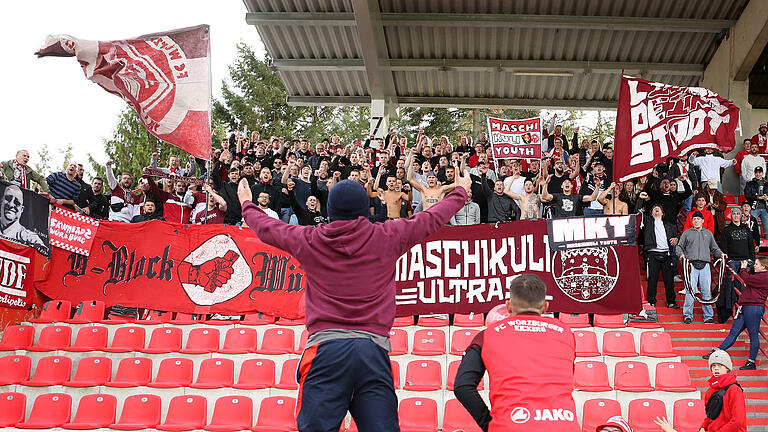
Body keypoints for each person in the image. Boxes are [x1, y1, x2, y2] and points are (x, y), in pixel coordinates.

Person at [237, 170, 471, 432]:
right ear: (365, 210)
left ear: (331, 210)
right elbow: (430, 218)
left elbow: (269, 228)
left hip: (325, 351)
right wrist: (460, 192)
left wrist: (247, 204)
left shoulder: (310, 239)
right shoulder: (387, 236)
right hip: (372, 350)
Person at [454, 275, 579, 432]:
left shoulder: (488, 335)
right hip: (563, 424)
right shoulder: (566, 333)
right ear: (545, 307)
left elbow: (463, 386)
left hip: (511, 424)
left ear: (508, 306)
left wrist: (488, 423)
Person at [704, 256, 768, 370]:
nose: (754, 266)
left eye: (757, 264)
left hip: (754, 307)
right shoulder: (760, 275)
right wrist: (748, 264)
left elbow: (746, 279)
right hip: (747, 306)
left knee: (753, 335)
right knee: (733, 332)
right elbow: (750, 276)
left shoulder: (765, 277)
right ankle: (717, 352)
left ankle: (751, 362)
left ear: (764, 267)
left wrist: (743, 268)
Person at [676, 211, 725, 324]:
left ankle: (708, 316)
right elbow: (679, 247)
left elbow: (715, 248)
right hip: (691, 264)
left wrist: (721, 254)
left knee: (706, 291)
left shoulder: (708, 233)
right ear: (692, 221)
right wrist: (681, 255)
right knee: (690, 290)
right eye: (694, 219)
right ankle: (687, 315)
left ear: (703, 220)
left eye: (698, 219)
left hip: (705, 265)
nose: (696, 221)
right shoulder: (687, 233)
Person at [718, 208, 756, 323]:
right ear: (731, 216)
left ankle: (743, 307)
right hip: (733, 261)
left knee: (744, 285)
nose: (735, 216)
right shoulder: (726, 230)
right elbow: (723, 246)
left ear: (740, 216)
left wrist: (751, 259)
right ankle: (732, 306)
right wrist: (728, 260)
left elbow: (751, 245)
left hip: (745, 260)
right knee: (731, 284)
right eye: (733, 214)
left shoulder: (746, 229)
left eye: (737, 214)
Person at [699, 350, 747, 431]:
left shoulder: (734, 390)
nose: (716, 368)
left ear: (727, 368)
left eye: (720, 365)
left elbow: (738, 421)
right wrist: (703, 427)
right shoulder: (710, 391)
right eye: (713, 365)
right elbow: (711, 415)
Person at [642, 204, 679, 308]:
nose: (656, 209)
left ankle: (671, 302)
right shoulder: (648, 222)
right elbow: (637, 211)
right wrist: (641, 199)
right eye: (654, 208)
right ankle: (651, 301)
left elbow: (676, 236)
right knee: (652, 279)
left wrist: (676, 239)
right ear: (651, 213)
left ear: (663, 213)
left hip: (666, 254)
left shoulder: (669, 225)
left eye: (659, 208)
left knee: (669, 280)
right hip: (653, 254)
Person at [744, 165, 768, 238]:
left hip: (766, 209)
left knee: (767, 230)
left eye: (759, 172)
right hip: (754, 208)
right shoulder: (750, 183)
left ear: (762, 173)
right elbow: (747, 195)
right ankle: (751, 246)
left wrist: (766, 197)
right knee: (751, 229)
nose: (758, 174)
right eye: (756, 172)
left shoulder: (767, 183)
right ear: (754, 173)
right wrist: (758, 197)